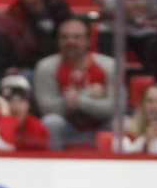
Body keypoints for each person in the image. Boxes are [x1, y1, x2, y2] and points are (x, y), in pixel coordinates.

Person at [34, 14, 116, 149]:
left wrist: (78, 100)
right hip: (67, 129)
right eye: (64, 37)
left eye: (77, 37)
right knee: (51, 122)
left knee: (121, 123)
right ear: (58, 41)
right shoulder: (46, 67)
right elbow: (47, 108)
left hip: (100, 128)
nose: (70, 41)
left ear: (87, 40)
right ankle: (52, 165)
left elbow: (115, 108)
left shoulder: (109, 66)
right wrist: (88, 93)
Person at [0, 73, 50, 151]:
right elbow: (4, 146)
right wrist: (5, 114)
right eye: (10, 100)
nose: (16, 107)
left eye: (21, 100)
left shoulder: (37, 127)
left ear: (28, 104)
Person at [118, 82, 157, 154]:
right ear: (142, 104)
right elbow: (125, 158)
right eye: (150, 101)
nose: (154, 106)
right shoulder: (128, 129)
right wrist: (145, 139)